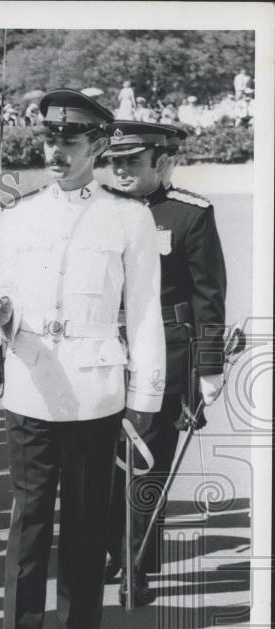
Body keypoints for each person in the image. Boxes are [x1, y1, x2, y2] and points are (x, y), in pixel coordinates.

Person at [0, 89, 165, 629]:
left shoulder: (129, 218)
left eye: (69, 141)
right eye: (48, 140)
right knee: (28, 523)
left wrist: (146, 396)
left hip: (94, 392)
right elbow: (4, 294)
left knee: (86, 526)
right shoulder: (19, 215)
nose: (55, 152)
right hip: (32, 387)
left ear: (98, 145)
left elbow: (142, 313)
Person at [103, 121, 227, 604]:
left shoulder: (189, 214)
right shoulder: (99, 211)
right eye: (114, 161)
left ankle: (136, 563)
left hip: (167, 353)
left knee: (144, 463)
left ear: (162, 162)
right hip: (104, 352)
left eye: (132, 160)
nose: (121, 169)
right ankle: (111, 548)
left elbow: (208, 296)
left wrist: (209, 367)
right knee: (102, 459)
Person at [158, 124, 188, 190]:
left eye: (170, 150)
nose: (161, 158)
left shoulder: (189, 200)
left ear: (176, 160)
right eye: (158, 150)